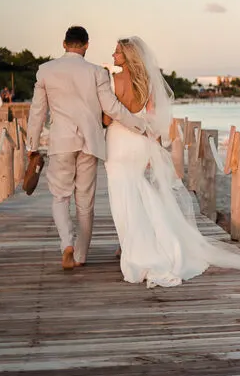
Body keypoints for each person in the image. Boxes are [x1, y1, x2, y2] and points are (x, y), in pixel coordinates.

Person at [105, 36, 240, 287]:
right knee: (138, 191)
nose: (113, 55)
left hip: (117, 141)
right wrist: (154, 149)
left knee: (121, 194)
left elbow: (107, 119)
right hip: (139, 143)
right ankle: (144, 245)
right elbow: (153, 120)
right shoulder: (147, 83)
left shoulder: (111, 81)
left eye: (117, 52)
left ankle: (134, 248)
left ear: (127, 55)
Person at [26, 26, 149, 270]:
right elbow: (112, 108)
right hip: (90, 143)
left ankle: (66, 245)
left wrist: (32, 145)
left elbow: (37, 112)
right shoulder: (96, 72)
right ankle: (81, 255)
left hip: (61, 143)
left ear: (64, 44)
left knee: (60, 197)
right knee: (85, 202)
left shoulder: (45, 71)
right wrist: (140, 126)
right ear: (86, 45)